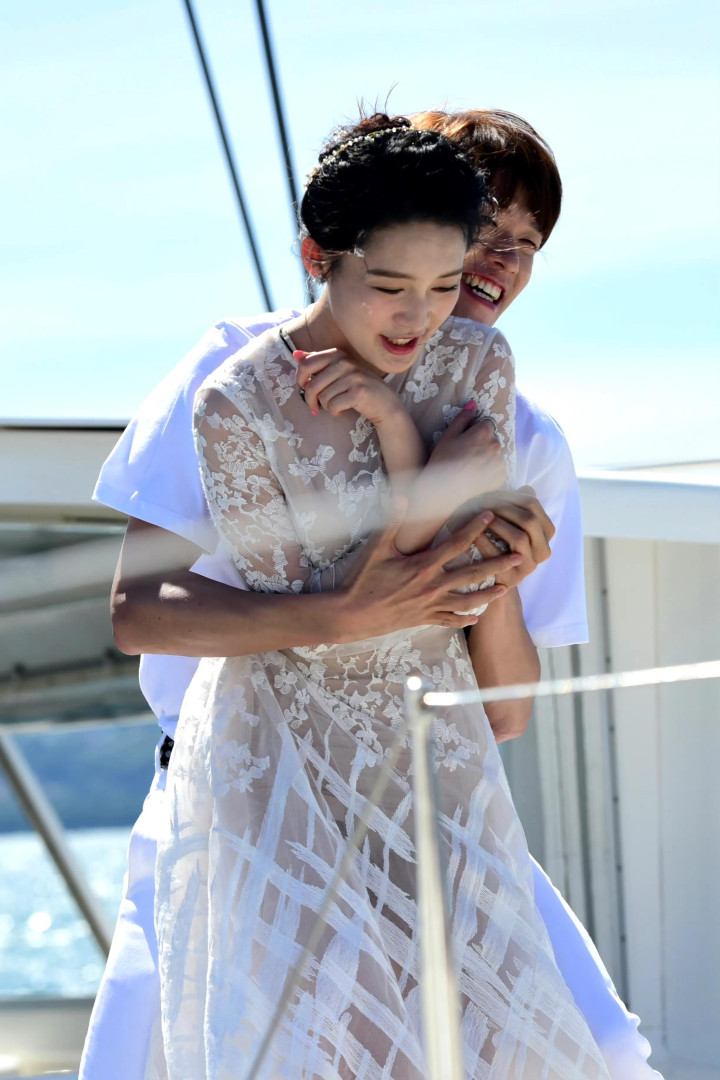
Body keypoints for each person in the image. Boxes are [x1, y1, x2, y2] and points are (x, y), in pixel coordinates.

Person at [79, 110, 659, 1079]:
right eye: (487, 228)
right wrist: (410, 497)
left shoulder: (521, 424)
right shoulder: (231, 378)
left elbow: (503, 704)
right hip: (241, 779)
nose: (497, 264)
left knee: (588, 1046)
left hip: (430, 776)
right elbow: (144, 609)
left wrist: (488, 568)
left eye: (525, 245)